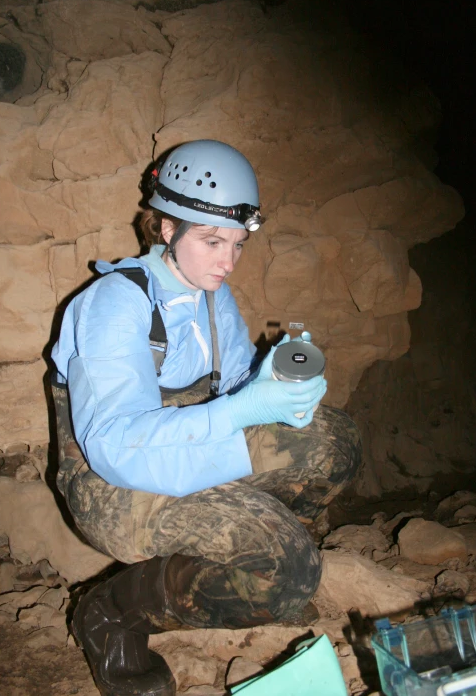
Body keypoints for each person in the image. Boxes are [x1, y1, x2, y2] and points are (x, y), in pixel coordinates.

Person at [51, 139, 362, 696]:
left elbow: (239, 390)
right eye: (212, 240)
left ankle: (242, 559)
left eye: (238, 244)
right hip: (111, 476)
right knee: (286, 573)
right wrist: (241, 411)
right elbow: (115, 447)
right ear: (166, 228)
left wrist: (275, 387)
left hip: (187, 447)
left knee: (332, 441)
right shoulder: (116, 304)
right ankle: (111, 613)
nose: (228, 261)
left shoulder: (213, 297)